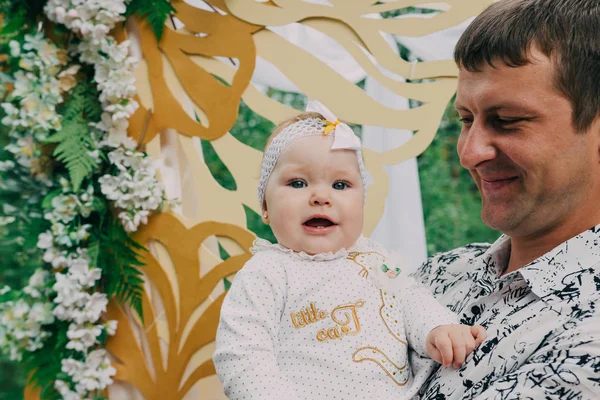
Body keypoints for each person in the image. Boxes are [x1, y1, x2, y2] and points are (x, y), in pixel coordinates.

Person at [213, 101, 486, 399]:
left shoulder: (374, 260)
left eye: (341, 185)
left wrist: (438, 328)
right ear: (265, 206)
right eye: (298, 182)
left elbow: (410, 301)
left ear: (362, 202)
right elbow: (242, 358)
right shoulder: (266, 273)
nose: (320, 197)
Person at [414, 0, 600, 398]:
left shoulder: (590, 330)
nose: (469, 152)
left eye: (507, 121)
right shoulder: (440, 273)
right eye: (466, 119)